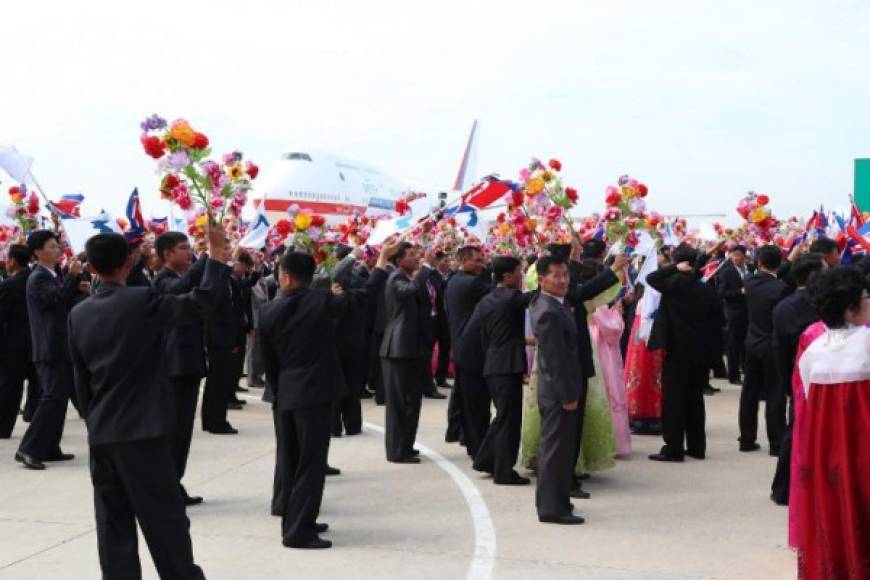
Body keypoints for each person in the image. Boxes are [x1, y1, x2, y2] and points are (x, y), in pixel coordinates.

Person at [68, 227, 228, 579]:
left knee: (113, 525)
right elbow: (202, 302)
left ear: (91, 268)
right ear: (129, 262)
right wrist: (216, 256)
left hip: (103, 432)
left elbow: (81, 382)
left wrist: (95, 421)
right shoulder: (142, 301)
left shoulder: (78, 314)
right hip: (144, 432)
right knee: (166, 523)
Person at [259, 250, 375, 550]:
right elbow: (363, 296)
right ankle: (298, 530)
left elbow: (267, 361)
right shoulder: (323, 302)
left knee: (291, 459)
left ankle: (298, 519)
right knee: (311, 464)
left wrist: (278, 390)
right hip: (317, 390)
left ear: (285, 276)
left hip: (286, 390)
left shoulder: (269, 310)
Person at [793, 266, 870, 579]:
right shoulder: (866, 344)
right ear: (851, 310)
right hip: (863, 449)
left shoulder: (813, 351)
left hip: (827, 455)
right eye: (866, 297)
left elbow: (807, 399)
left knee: (837, 520)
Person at [15, 230, 82, 470]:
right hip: (48, 347)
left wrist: (75, 284)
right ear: (38, 252)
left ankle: (50, 447)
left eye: (57, 245)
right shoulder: (38, 277)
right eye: (52, 246)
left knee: (60, 398)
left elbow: (62, 299)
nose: (58, 249)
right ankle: (28, 449)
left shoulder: (53, 274)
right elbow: (54, 299)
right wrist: (72, 279)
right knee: (52, 397)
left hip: (60, 345)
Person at [646, 245, 717, 462]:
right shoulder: (705, 287)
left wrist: (673, 269)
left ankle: (674, 447)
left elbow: (651, 278)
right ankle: (697, 446)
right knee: (695, 398)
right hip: (699, 349)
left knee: (674, 400)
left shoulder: (674, 284)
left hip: (677, 349)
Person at [153, 231, 209, 506]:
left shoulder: (176, 279)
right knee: (174, 431)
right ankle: (167, 487)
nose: (189, 253)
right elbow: (183, 287)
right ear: (167, 254)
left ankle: (174, 483)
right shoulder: (163, 280)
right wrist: (210, 256)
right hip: (174, 367)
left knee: (182, 432)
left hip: (186, 364)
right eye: (183, 248)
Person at [529, 256, 585, 525]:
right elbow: (555, 359)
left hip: (558, 388)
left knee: (561, 450)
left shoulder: (554, 304)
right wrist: (568, 396)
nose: (562, 280)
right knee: (554, 451)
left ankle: (559, 501)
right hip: (557, 391)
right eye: (556, 275)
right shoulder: (548, 310)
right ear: (541, 279)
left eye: (565, 275)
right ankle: (552, 508)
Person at [472, 257, 532, 485]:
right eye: (520, 273)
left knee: (503, 417)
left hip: (493, 363)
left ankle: (486, 459)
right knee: (509, 420)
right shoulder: (512, 298)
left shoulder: (487, 299)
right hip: (506, 366)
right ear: (507, 277)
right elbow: (536, 296)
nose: (522, 277)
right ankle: (504, 471)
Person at [769, 253, 823, 505]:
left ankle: (783, 489)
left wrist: (786, 383)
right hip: (817, 376)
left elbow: (778, 350)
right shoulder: (823, 305)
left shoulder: (782, 307)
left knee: (795, 431)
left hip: (795, 376)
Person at [739, 244, 790, 454]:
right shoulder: (782, 289)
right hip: (773, 346)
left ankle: (746, 439)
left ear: (759, 262)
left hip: (752, 343)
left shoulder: (749, 281)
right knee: (775, 395)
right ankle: (776, 443)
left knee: (749, 393)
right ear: (779, 263)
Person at [380, 242, 426, 463]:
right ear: (399, 261)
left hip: (411, 347)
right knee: (399, 403)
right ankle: (397, 450)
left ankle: (406, 445)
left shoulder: (407, 277)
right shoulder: (396, 279)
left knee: (411, 401)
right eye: (410, 255)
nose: (416, 258)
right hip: (398, 348)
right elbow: (409, 292)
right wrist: (422, 272)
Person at [444, 246, 491, 456]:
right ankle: (476, 444)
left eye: (482, 260)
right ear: (464, 260)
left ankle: (460, 433)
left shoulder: (454, 279)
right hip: (472, 348)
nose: (481, 264)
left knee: (463, 398)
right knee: (476, 402)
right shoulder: (472, 283)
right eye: (477, 260)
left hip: (460, 344)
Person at [0, 244, 36, 438]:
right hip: (38, 342)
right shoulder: (37, 279)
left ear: (13, 260)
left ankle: (3, 428)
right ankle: (39, 426)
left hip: (13, 345)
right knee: (39, 387)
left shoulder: (8, 285)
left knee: (9, 389)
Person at [717, 245, 749, 385]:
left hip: (749, 312)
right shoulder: (726, 272)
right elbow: (721, 293)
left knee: (745, 344)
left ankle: (745, 369)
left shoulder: (750, 269)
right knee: (733, 345)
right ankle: (733, 374)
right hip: (734, 313)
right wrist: (739, 292)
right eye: (733, 255)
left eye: (738, 255)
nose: (736, 258)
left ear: (744, 256)